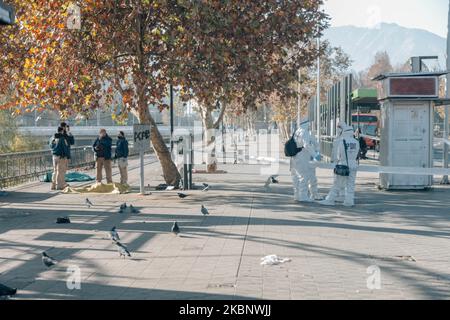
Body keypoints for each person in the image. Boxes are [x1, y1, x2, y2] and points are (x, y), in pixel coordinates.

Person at [320, 121, 360, 207]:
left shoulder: (342, 141)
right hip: (353, 164)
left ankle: (330, 200)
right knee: (351, 184)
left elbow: (339, 155)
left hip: (343, 165)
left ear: (344, 132)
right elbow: (356, 154)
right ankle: (349, 201)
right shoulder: (356, 142)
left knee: (337, 184)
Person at [290, 119, 322, 203]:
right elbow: (306, 145)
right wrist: (315, 155)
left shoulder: (297, 132)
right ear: (306, 124)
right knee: (303, 176)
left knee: (297, 177)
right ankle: (303, 196)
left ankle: (297, 195)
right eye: (308, 124)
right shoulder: (305, 132)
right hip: (302, 157)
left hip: (295, 157)